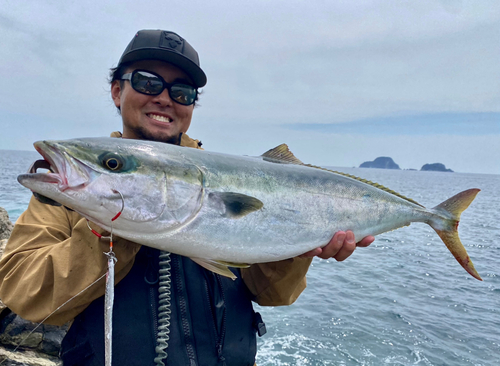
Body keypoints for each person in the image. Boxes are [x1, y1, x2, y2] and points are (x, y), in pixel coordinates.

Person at [0, 29, 374, 365]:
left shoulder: (231, 178)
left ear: (192, 105)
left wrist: (299, 249)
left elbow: (272, 294)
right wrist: (108, 230)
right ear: (117, 91)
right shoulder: (71, 194)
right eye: (147, 83)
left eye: (181, 92)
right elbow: (24, 294)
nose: (164, 99)